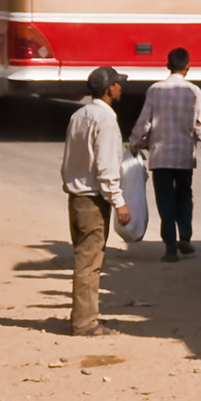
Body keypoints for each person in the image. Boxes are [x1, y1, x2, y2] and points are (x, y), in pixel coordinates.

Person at [60, 66, 131, 337]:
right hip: (92, 201)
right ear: (109, 89)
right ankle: (85, 323)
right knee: (89, 264)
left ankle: (85, 317)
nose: (121, 88)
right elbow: (106, 167)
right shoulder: (106, 121)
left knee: (84, 259)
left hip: (76, 198)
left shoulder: (79, 115)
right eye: (118, 84)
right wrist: (119, 202)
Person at [128, 47, 201, 262]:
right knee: (184, 196)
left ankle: (171, 248)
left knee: (165, 200)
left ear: (167, 65)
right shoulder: (194, 91)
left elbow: (144, 121)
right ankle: (185, 236)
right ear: (188, 67)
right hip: (184, 157)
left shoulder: (155, 90)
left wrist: (134, 143)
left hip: (160, 157)